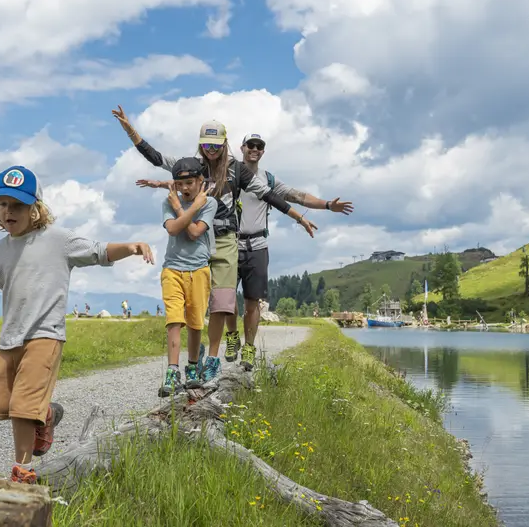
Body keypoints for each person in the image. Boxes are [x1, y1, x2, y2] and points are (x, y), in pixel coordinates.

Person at [0, 165, 154, 485]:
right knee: (2, 405)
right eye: (2, 204)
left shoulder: (58, 240)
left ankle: (22, 471)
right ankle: (45, 415)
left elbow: (98, 251)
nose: (8, 211)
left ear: (35, 209)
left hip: (45, 335)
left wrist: (130, 247)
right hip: (11, 338)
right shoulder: (0, 251)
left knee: (22, 407)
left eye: (17, 205)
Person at [112, 106, 317, 379]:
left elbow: (268, 195)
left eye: (216, 145)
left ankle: (212, 358)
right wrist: (130, 131)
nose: (211, 150)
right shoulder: (191, 165)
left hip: (226, 239)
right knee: (194, 305)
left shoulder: (237, 170)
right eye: (206, 145)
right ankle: (194, 355)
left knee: (222, 301)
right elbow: (156, 157)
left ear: (225, 143)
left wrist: (298, 217)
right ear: (200, 144)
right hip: (197, 240)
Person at [136, 132, 354, 370]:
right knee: (222, 300)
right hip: (223, 240)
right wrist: (158, 176)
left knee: (248, 300)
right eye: (250, 145)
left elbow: (295, 196)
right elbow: (173, 170)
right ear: (241, 147)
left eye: (259, 146)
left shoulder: (265, 178)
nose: (254, 149)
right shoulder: (216, 168)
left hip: (255, 244)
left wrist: (322, 207)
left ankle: (246, 347)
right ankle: (227, 338)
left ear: (263, 151)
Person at [158, 157, 217, 395]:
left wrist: (183, 209)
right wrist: (187, 207)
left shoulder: (210, 203)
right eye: (179, 184)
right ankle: (172, 371)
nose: (184, 188)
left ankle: (192, 367)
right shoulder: (168, 202)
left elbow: (194, 232)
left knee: (195, 322)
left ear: (200, 181)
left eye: (190, 183)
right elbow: (173, 229)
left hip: (199, 269)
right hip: (172, 268)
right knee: (173, 320)